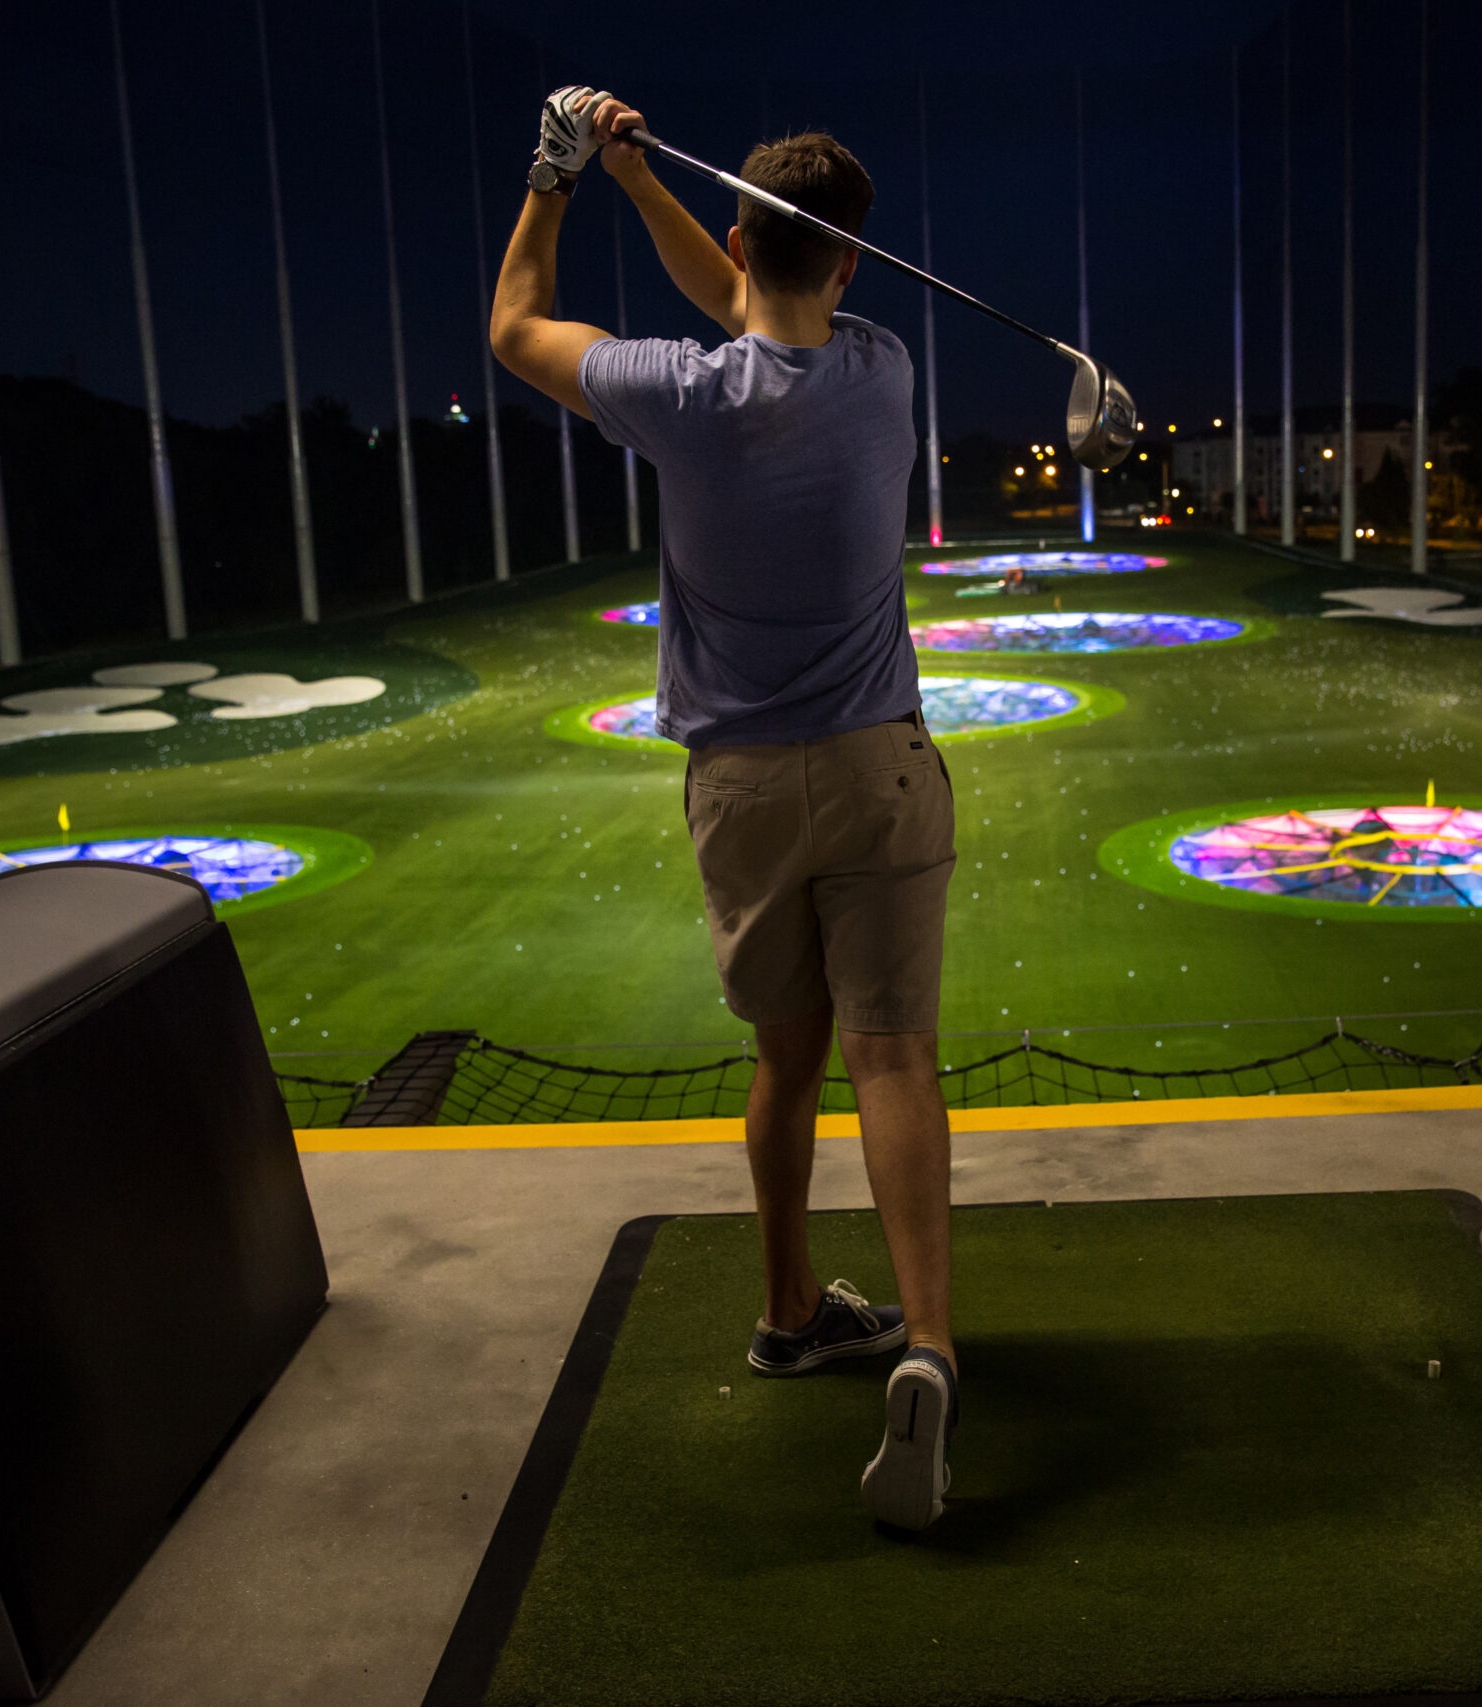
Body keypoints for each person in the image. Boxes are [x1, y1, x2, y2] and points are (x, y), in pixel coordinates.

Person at [488, 86, 959, 1532]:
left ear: (748, 234)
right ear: (855, 265)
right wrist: (645, 181)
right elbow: (757, 292)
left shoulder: (677, 397)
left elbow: (514, 329)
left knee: (787, 1062)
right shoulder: (882, 369)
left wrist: (562, 179)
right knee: (894, 1058)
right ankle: (931, 1343)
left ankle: (786, 1309)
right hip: (882, 769)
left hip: (744, 789)